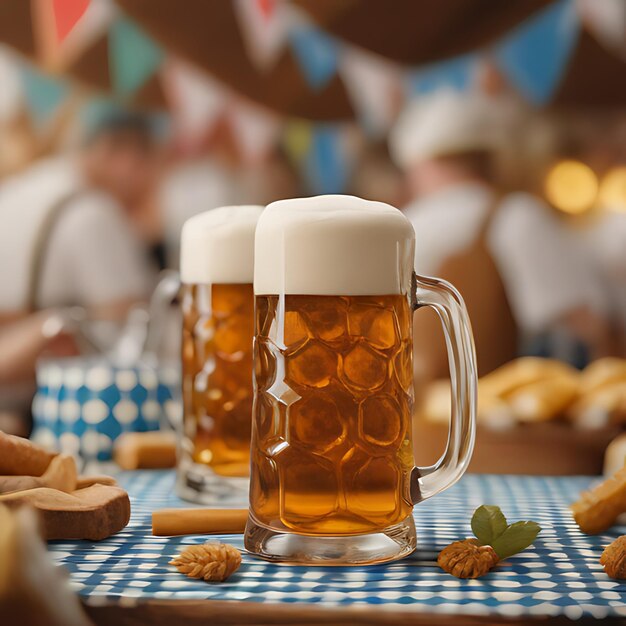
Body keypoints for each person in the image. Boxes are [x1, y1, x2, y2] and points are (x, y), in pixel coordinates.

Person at [389, 89, 609, 380]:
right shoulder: (515, 214)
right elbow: (584, 324)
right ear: (488, 157)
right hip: (496, 409)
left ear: (423, 165)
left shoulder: (402, 225)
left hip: (419, 409)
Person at [0, 111, 158, 429]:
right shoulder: (92, 211)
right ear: (117, 152)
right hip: (42, 413)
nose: (150, 182)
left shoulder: (21, 189)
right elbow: (133, 336)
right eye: (148, 164)